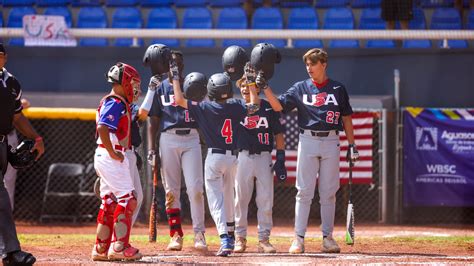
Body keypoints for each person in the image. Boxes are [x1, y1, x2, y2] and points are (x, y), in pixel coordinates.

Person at [261, 48, 359, 254]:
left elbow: (347, 118)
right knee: (303, 192)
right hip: (307, 140)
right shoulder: (300, 88)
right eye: (307, 64)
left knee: (328, 193)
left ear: (324, 64)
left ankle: (328, 238)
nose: (309, 68)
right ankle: (298, 239)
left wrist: (352, 145)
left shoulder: (338, 89)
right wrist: (265, 88)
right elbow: (279, 107)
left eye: (313, 63)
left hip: (332, 141)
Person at [171, 60, 259, 257]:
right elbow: (255, 105)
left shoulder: (204, 107)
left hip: (215, 157)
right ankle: (230, 232)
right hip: (233, 157)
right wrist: (251, 82)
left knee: (216, 200)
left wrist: (176, 78)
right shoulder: (236, 105)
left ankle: (225, 238)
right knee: (229, 197)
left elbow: (178, 100)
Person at [143, 51, 208, 252]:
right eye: (171, 63)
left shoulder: (193, 84)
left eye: (178, 63)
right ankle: (175, 234)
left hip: (191, 137)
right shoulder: (160, 87)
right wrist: (151, 148)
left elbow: (204, 115)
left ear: (183, 65)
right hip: (168, 138)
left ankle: (199, 234)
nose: (175, 67)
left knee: (196, 188)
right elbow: (153, 119)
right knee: (171, 190)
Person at [91, 62, 142, 261]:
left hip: (105, 154)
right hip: (110, 154)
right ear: (123, 81)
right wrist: (113, 152)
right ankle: (120, 246)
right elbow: (103, 127)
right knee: (128, 199)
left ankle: (101, 248)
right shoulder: (115, 102)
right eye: (133, 82)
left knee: (110, 201)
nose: (135, 87)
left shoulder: (119, 102)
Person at [0, 43, 45, 266]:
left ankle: (9, 252)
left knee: (2, 198)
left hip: (2, 141)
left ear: (5, 57)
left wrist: (37, 139)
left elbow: (17, 117)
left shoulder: (11, 83)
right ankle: (10, 252)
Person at [233, 75, 286, 254]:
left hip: (264, 156)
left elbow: (278, 133)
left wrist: (280, 156)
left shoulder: (267, 107)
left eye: (249, 87)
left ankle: (264, 238)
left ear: (256, 88)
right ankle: (239, 237)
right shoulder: (236, 107)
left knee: (265, 199)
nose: (245, 90)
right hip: (243, 156)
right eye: (242, 87)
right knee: (241, 199)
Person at [4, 98, 30, 210]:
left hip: (9, 137)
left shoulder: (9, 85)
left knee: (8, 178)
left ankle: (7, 213)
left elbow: (25, 103)